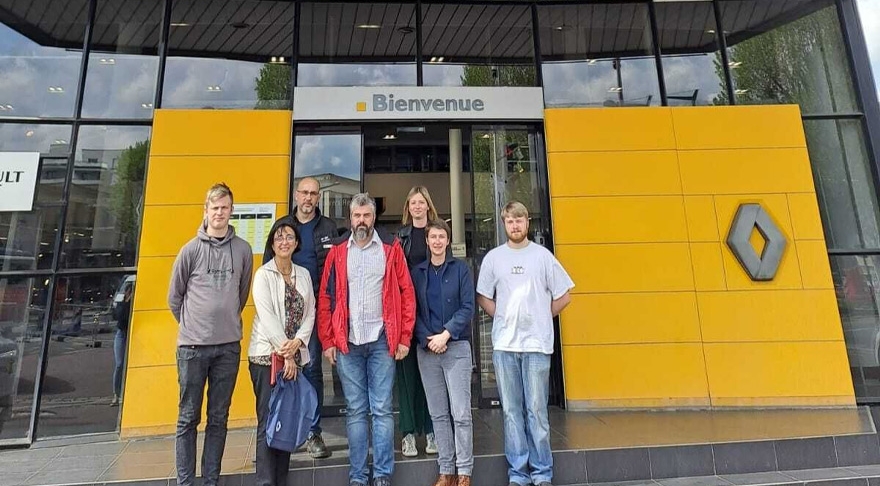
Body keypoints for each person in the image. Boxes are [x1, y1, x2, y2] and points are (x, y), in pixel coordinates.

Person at [318, 193, 416, 486]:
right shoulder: (337, 251)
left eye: (367, 215)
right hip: (347, 342)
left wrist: (404, 337)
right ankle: (358, 476)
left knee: (382, 410)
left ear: (374, 217)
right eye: (357, 216)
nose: (362, 221)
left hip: (382, 340)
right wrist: (328, 340)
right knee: (357, 410)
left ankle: (383, 475)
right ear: (350, 218)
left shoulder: (390, 248)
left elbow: (406, 293)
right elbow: (325, 298)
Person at [475, 201, 574, 486]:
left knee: (537, 410)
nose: (515, 225)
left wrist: (542, 315)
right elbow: (483, 296)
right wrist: (503, 316)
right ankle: (518, 474)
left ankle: (542, 473)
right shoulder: (494, 258)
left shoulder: (542, 256)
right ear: (503, 223)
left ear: (527, 222)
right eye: (509, 221)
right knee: (511, 412)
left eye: (519, 220)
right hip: (505, 345)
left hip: (536, 346)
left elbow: (564, 295)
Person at [168, 183, 254, 486]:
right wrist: (194, 326)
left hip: (228, 348)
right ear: (206, 211)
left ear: (232, 211)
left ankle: (210, 480)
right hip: (192, 348)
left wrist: (223, 322)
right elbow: (174, 298)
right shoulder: (189, 250)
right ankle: (186, 481)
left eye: (225, 207)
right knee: (188, 418)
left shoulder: (243, 250)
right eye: (215, 208)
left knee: (219, 418)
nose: (220, 213)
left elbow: (241, 294)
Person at [262, 176, 337, 458]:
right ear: (296, 195)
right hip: (283, 313)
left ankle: (312, 432)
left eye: (313, 194)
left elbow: (334, 272)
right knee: (281, 371)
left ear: (318, 197)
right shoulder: (282, 227)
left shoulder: (328, 227)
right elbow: (266, 269)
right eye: (304, 193)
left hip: (315, 313)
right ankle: (282, 428)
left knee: (312, 370)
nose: (308, 198)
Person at [250, 221, 316, 486]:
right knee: (268, 420)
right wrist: (286, 354)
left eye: (289, 237)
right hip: (266, 358)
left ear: (297, 243)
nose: (284, 241)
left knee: (286, 421)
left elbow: (310, 312)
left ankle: (281, 480)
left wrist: (299, 342)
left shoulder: (304, 274)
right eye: (279, 237)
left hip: (293, 359)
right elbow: (267, 318)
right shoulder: (263, 275)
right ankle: (265, 482)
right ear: (272, 243)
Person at [412, 220, 475, 486]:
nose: (437, 241)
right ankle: (446, 470)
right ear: (427, 241)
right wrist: (429, 341)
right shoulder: (418, 273)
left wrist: (445, 334)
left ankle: (464, 472)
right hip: (427, 351)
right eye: (433, 237)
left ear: (448, 241)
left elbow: (468, 307)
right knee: (438, 414)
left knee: (461, 414)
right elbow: (411, 312)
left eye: (442, 237)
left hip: (456, 347)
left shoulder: (461, 269)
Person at [395, 186, 437, 457]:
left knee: (432, 379)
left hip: (432, 316)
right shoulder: (401, 237)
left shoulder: (437, 233)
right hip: (406, 316)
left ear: (428, 206)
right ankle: (408, 434)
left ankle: (433, 432)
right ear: (408, 207)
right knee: (407, 378)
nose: (417, 207)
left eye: (422, 202)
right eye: (413, 203)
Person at [111, 285, 133, 407]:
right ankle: (116, 393)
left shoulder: (132, 303)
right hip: (121, 333)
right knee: (119, 364)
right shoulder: (122, 303)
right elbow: (119, 317)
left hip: (131, 332)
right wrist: (125, 302)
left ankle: (125, 393)